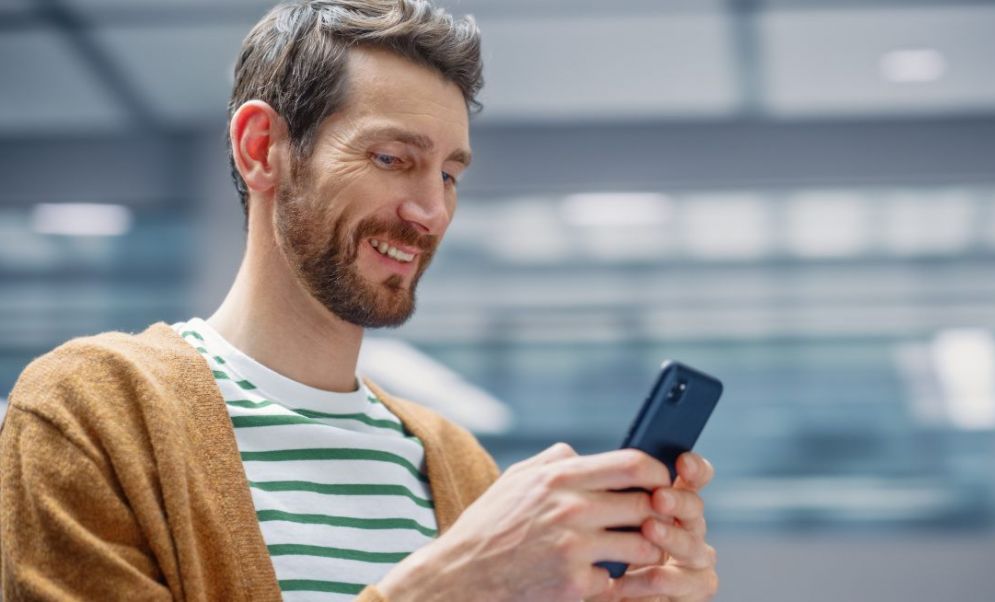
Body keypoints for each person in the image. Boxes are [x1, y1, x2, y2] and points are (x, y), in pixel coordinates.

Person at [0, 1, 718, 600]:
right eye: (392, 160)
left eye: (449, 173)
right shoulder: (88, 414)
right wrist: (444, 589)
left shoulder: (457, 464)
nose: (431, 211)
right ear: (262, 149)